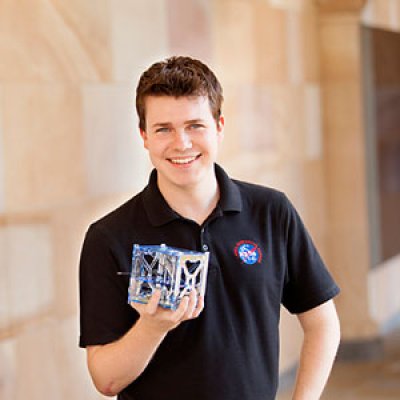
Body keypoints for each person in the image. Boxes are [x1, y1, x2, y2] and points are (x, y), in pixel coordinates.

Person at [79, 56, 341, 400]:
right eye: (163, 129)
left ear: (219, 126)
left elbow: (323, 324)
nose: (182, 143)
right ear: (144, 136)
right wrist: (153, 327)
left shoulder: (271, 211)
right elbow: (106, 380)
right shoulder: (108, 237)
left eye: (195, 125)